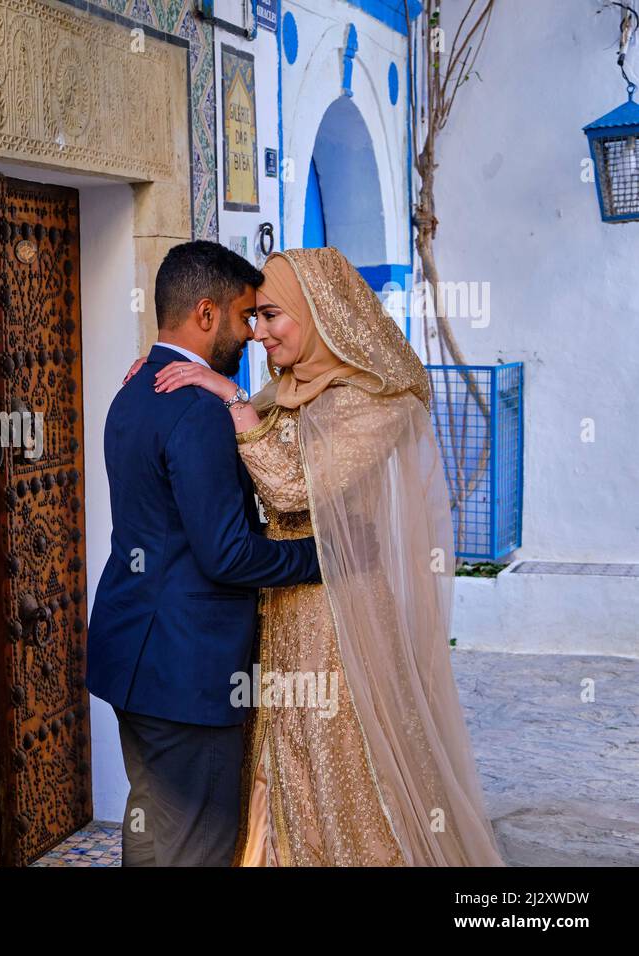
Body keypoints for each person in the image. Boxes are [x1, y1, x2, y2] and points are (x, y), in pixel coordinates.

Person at [146, 247, 504, 866]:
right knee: (284, 753)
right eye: (253, 318)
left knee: (342, 758)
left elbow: (289, 485)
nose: (258, 333)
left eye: (272, 316)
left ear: (319, 315)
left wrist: (229, 399)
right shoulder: (284, 391)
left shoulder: (376, 402)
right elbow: (224, 441)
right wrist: (171, 389)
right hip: (281, 603)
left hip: (343, 616)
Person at [86, 240, 322, 867]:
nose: (252, 334)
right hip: (188, 670)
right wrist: (316, 559)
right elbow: (228, 556)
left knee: (151, 828)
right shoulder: (198, 411)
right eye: (247, 316)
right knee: (199, 849)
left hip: (130, 657)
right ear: (207, 314)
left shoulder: (132, 391)